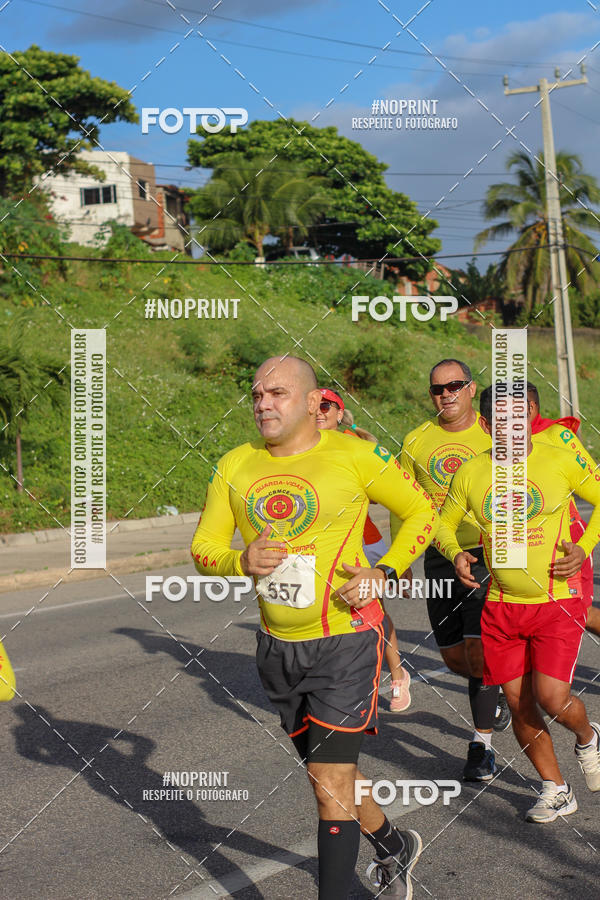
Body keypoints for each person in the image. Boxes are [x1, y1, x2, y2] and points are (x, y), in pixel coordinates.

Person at [191, 356, 439, 899]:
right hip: (277, 648)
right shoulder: (234, 464)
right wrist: (240, 560)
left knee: (329, 788)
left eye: (276, 392)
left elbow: (422, 512)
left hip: (345, 644)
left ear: (310, 401)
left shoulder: (355, 454)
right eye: (256, 394)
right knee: (330, 780)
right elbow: (202, 550)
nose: (262, 403)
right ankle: (394, 844)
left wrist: (384, 571)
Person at [435, 384, 600, 822]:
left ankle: (587, 736)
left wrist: (584, 549)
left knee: (551, 697)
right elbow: (443, 524)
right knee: (518, 703)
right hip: (501, 606)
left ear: (531, 416)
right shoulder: (470, 473)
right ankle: (556, 789)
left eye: (519, 417)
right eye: (500, 421)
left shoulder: (559, 460)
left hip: (555, 599)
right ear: (487, 425)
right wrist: (455, 553)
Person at [391, 358, 510, 783]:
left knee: (479, 651)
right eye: (437, 389)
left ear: (471, 388)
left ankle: (482, 747)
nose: (446, 394)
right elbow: (402, 503)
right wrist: (400, 560)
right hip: (439, 553)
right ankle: (499, 689)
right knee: (455, 656)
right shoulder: (417, 440)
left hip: (488, 552)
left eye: (454, 385)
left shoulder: (492, 433)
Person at [317, 387, 411, 712]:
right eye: (313, 405)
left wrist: (402, 558)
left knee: (375, 610)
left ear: (340, 413)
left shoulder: (357, 447)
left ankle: (397, 675)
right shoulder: (298, 448)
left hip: (364, 542)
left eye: (327, 406)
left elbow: (394, 500)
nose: (319, 411)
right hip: (322, 543)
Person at [527, 382, 600, 638]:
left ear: (531, 407)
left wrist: (585, 545)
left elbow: (595, 485)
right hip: (518, 541)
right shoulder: (499, 440)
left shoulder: (557, 436)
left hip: (565, 536)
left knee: (579, 612)